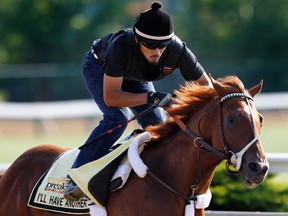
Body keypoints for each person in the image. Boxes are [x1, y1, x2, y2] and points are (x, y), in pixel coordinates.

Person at [64, 1, 212, 201]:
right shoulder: (121, 47)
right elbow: (112, 97)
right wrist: (150, 96)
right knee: (116, 118)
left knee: (158, 125)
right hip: (99, 67)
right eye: (151, 45)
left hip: (136, 77)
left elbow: (208, 88)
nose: (157, 52)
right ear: (136, 40)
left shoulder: (178, 50)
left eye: (162, 45)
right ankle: (77, 176)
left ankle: (155, 174)